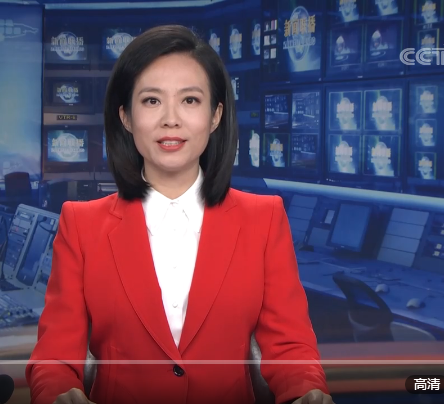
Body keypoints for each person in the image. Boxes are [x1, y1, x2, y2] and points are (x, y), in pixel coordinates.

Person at [26, 25, 332, 404]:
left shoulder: (263, 219)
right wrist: (59, 392)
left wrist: (307, 391)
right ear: (125, 116)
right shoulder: (81, 225)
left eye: (189, 100)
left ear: (216, 115)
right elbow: (54, 356)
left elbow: (290, 347)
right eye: (152, 101)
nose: (171, 119)